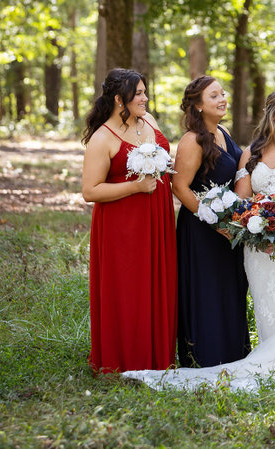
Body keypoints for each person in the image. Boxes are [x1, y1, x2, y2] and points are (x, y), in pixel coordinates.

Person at [123, 90, 275, 390]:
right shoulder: (251, 153)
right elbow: (241, 200)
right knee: (269, 306)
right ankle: (271, 356)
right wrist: (252, 228)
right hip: (261, 245)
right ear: (272, 113)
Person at [82, 68, 177, 373]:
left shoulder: (149, 121)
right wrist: (135, 186)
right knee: (128, 288)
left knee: (156, 283)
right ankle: (124, 359)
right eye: (138, 94)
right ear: (119, 99)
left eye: (145, 92)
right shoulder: (102, 138)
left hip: (157, 217)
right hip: (122, 225)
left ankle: (157, 355)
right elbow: (90, 190)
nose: (145, 98)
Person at [172, 75, 250, 367]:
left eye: (223, 93)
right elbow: (179, 187)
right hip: (202, 229)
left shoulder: (223, 132)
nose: (222, 99)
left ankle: (234, 353)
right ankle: (204, 355)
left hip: (229, 227)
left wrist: (234, 222)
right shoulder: (192, 140)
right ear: (198, 105)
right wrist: (215, 222)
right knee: (207, 289)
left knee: (230, 287)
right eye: (214, 95)